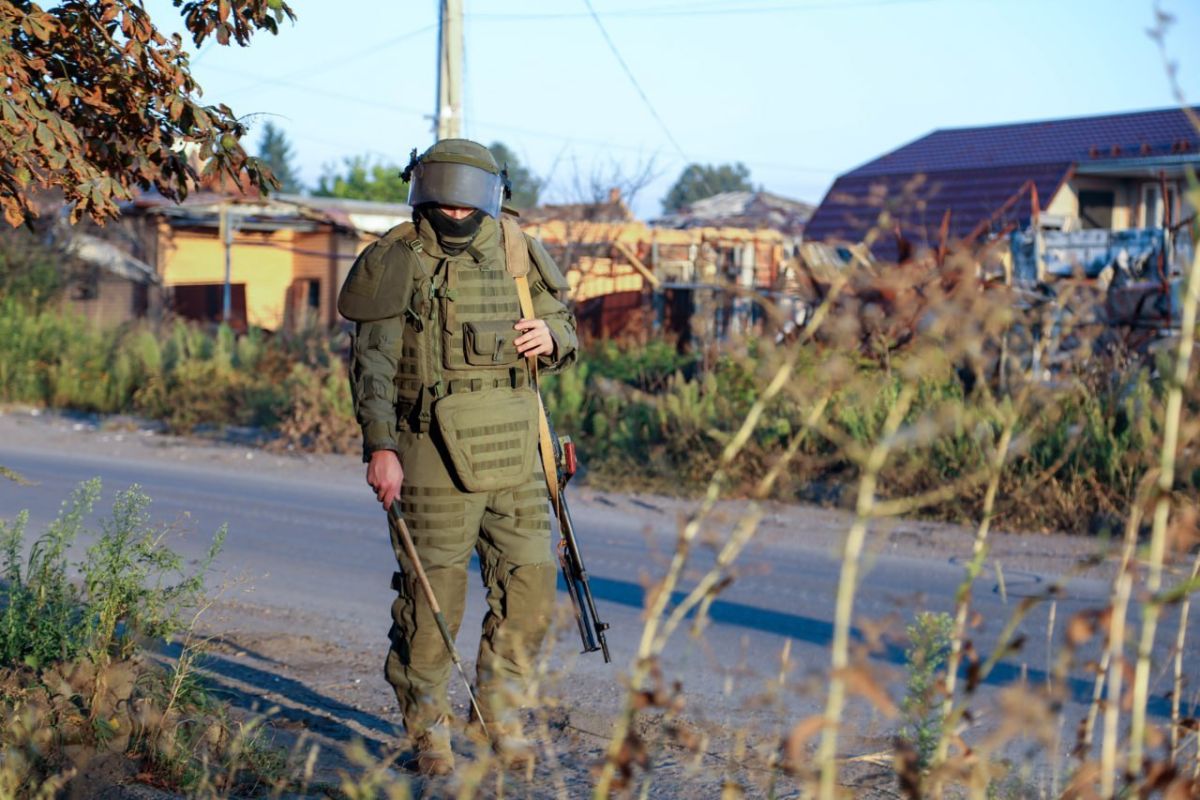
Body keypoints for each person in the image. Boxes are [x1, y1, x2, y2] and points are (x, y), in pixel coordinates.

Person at [336, 138, 577, 776]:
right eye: (441, 191)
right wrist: (381, 446)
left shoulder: (517, 248)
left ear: (490, 194)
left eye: (466, 193)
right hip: (428, 449)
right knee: (430, 600)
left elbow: (566, 326)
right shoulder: (399, 257)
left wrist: (550, 335)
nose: (455, 207)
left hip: (515, 444)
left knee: (530, 585)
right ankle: (429, 733)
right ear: (422, 190)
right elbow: (373, 366)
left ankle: (500, 714)